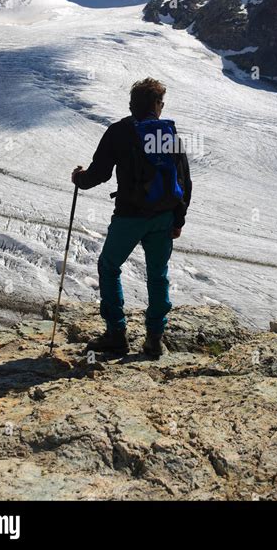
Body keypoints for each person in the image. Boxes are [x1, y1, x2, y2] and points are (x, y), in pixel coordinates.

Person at [72, 78, 192, 358]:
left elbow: (99, 173)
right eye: (161, 103)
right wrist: (178, 220)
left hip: (129, 216)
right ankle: (154, 339)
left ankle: (116, 334)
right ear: (154, 105)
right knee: (158, 275)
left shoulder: (119, 131)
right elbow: (185, 181)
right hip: (163, 217)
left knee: (109, 266)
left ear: (132, 103)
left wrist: (79, 179)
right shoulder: (168, 135)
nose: (162, 108)